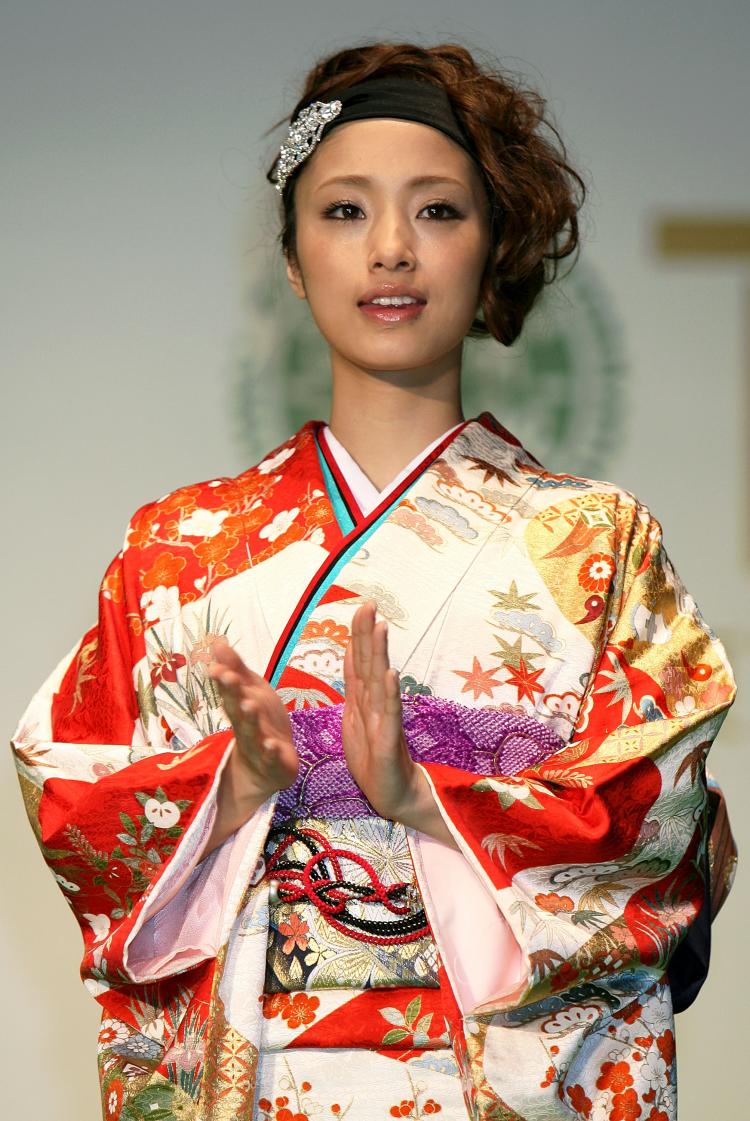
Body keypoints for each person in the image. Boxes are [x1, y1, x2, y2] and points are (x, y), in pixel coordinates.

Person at [11, 40, 737, 1121]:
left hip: (487, 1075)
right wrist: (235, 784)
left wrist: (425, 795)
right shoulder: (177, 546)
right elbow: (76, 797)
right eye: (345, 211)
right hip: (260, 1070)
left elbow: (663, 839)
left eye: (438, 211)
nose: (391, 249)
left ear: (493, 249)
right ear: (295, 259)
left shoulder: (598, 542)